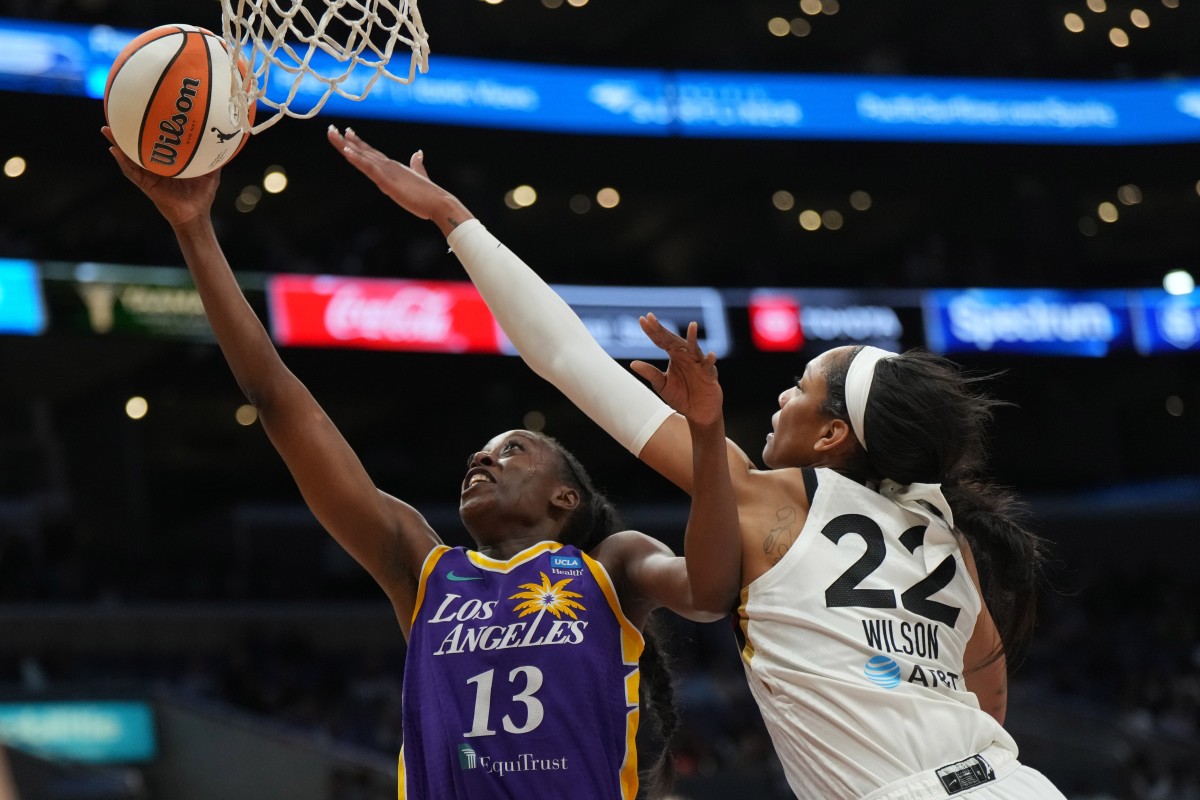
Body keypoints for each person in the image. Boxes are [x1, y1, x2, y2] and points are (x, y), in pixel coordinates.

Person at [328, 126, 1068, 800]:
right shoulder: (952, 534)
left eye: (802, 387)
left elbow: (566, 357)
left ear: (833, 437)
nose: (782, 393)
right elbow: (986, 704)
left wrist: (455, 221)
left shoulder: (767, 496)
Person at [101, 125, 733, 800]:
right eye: (482, 451)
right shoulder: (424, 568)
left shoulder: (610, 566)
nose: (480, 458)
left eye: (511, 450)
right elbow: (276, 401)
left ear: (564, 500)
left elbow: (712, 590)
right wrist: (194, 227)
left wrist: (706, 434)